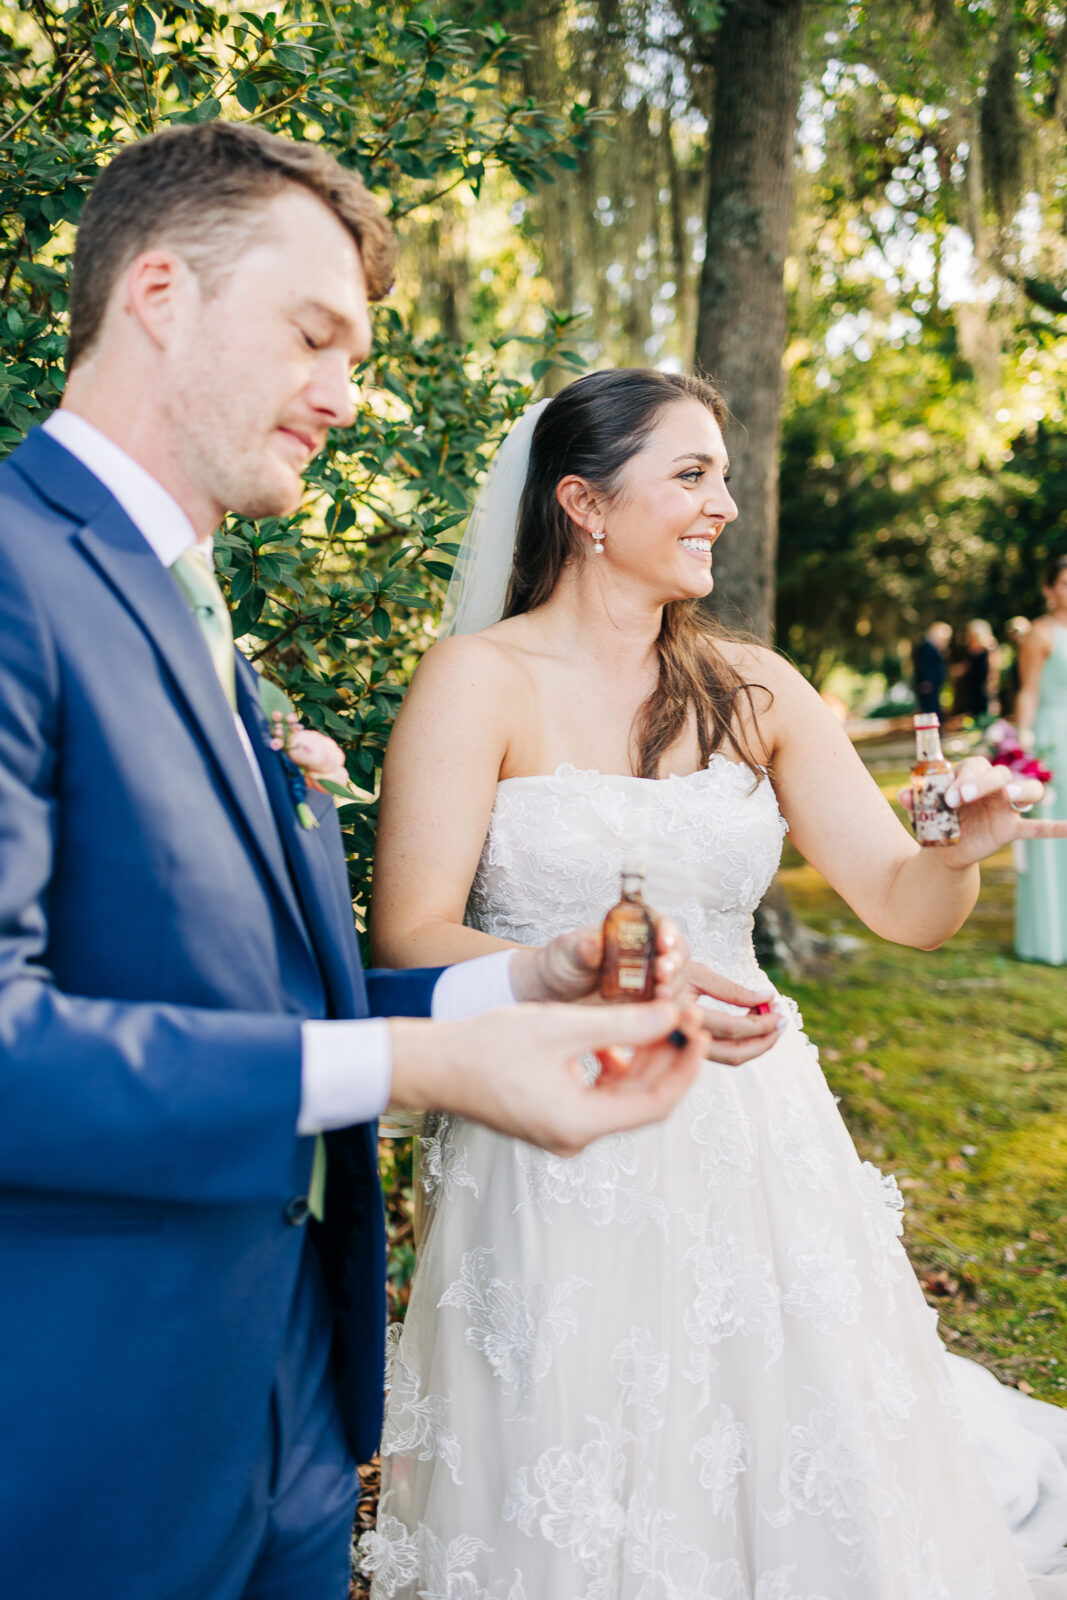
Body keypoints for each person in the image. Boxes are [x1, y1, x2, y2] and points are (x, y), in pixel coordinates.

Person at [0, 129, 779, 1600]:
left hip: (285, 1402)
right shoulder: (16, 574)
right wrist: (415, 1075)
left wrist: (520, 990)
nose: (344, 398)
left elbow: (258, 993)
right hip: (90, 1429)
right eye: (313, 339)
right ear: (158, 294)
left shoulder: (193, 614)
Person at [361, 370, 1067, 1599]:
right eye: (689, 474)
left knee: (792, 1458)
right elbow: (410, 935)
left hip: (753, 1130)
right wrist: (592, 986)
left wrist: (960, 848)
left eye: (720, 476)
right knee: (573, 1465)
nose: (722, 505)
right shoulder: (479, 680)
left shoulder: (757, 688)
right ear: (582, 502)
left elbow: (904, 907)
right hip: (553, 1132)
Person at [1015, 555, 1067, 965]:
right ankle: (1050, 938)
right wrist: (1024, 745)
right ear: (1049, 589)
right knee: (1054, 833)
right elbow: (1028, 690)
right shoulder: (1041, 633)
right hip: (1055, 738)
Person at [957, 618, 1000, 718]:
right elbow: (968, 664)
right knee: (974, 703)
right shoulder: (969, 646)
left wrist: (992, 681)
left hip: (985, 679)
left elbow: (994, 664)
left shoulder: (989, 645)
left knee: (987, 703)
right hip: (972, 679)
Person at [914, 619, 952, 716]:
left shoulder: (934, 647)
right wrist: (926, 681)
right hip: (929, 684)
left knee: (933, 707)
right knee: (930, 708)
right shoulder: (926, 647)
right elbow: (924, 666)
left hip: (933, 683)